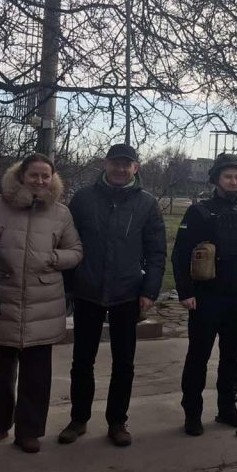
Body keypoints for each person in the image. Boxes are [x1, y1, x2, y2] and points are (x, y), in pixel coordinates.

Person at [57, 143, 166, 447]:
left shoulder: (147, 204)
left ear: (135, 168)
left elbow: (157, 252)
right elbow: (68, 243)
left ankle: (117, 421)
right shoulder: (83, 199)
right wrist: (69, 285)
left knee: (124, 363)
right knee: (82, 360)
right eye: (115, 163)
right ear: (105, 164)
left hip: (127, 293)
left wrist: (149, 290)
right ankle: (78, 419)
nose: (120, 169)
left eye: (126, 164)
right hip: (88, 291)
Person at [0, 154, 82, 453]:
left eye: (45, 176)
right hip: (4, 298)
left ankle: (29, 431)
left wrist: (52, 258)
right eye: (33, 175)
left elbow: (75, 251)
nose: (39, 181)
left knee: (36, 375)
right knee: (2, 372)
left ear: (53, 179)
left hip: (44, 302)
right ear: (21, 176)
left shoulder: (60, 213)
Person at [171, 153, 237, 437]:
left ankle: (227, 408)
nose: (233, 181)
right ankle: (192, 414)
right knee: (198, 358)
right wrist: (186, 292)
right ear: (216, 179)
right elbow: (180, 255)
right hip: (206, 298)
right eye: (228, 176)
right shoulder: (199, 213)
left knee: (232, 358)